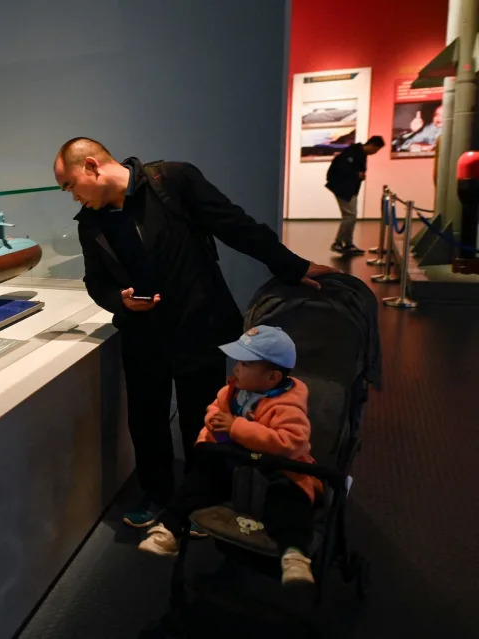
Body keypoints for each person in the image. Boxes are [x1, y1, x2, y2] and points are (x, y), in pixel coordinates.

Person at [52, 137, 335, 528]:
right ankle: (158, 496)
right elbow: (95, 283)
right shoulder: (92, 223)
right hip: (142, 337)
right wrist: (121, 300)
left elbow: (234, 224)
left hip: (198, 326)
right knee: (147, 423)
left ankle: (205, 502)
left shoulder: (173, 181)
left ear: (91, 166)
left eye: (70, 186)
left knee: (202, 421)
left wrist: (292, 266)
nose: (72, 197)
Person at [137, 325, 321, 586]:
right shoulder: (232, 391)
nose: (236, 368)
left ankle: (295, 554)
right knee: (197, 483)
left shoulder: (287, 405)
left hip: (278, 471)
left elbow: (290, 442)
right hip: (234, 467)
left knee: (290, 502)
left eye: (244, 364)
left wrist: (236, 427)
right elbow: (213, 411)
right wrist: (216, 426)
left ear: (272, 378)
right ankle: (170, 527)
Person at [325, 135, 385, 256]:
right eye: (376, 150)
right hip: (343, 189)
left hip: (350, 189)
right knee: (350, 216)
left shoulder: (359, 153)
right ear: (372, 145)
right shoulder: (353, 152)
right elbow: (341, 168)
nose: (375, 152)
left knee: (350, 216)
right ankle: (338, 243)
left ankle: (348, 244)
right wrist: (356, 174)